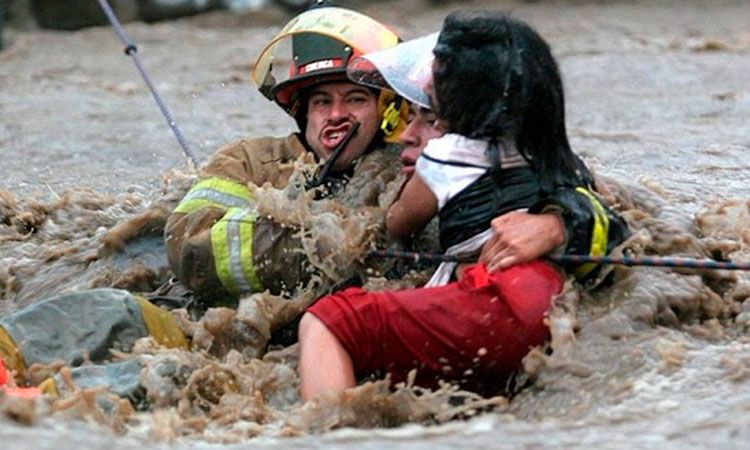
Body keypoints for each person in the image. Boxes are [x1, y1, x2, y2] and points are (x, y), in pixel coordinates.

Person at [297, 12, 630, 400]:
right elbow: (613, 216)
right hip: (547, 303)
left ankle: (324, 437)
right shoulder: (555, 158)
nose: (409, 132)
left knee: (331, 321)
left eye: (430, 115)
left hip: (495, 306)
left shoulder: (444, 155)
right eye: (322, 101)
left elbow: (397, 223)